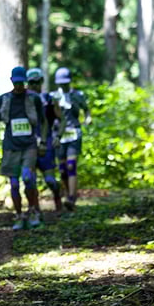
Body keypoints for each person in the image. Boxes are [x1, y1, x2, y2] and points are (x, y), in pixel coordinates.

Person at [0, 66, 44, 229]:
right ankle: (18, 215)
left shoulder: (33, 99)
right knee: (14, 183)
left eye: (21, 82)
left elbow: (43, 121)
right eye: (16, 82)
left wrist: (43, 141)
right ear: (12, 81)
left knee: (27, 178)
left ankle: (33, 211)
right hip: (10, 147)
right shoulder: (3, 99)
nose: (18, 85)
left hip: (29, 146)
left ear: (24, 82)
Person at [51, 67, 91, 211]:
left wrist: (88, 118)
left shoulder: (77, 95)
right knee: (62, 170)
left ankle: (72, 197)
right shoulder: (54, 96)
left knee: (71, 165)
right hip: (59, 135)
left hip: (74, 133)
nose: (63, 85)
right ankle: (68, 195)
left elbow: (86, 109)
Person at [26, 67, 63, 213]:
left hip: (46, 143)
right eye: (31, 82)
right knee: (30, 179)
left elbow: (62, 119)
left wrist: (58, 136)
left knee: (50, 181)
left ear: (41, 82)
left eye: (37, 82)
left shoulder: (49, 99)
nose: (34, 85)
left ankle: (58, 197)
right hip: (28, 144)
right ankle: (35, 210)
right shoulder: (23, 101)